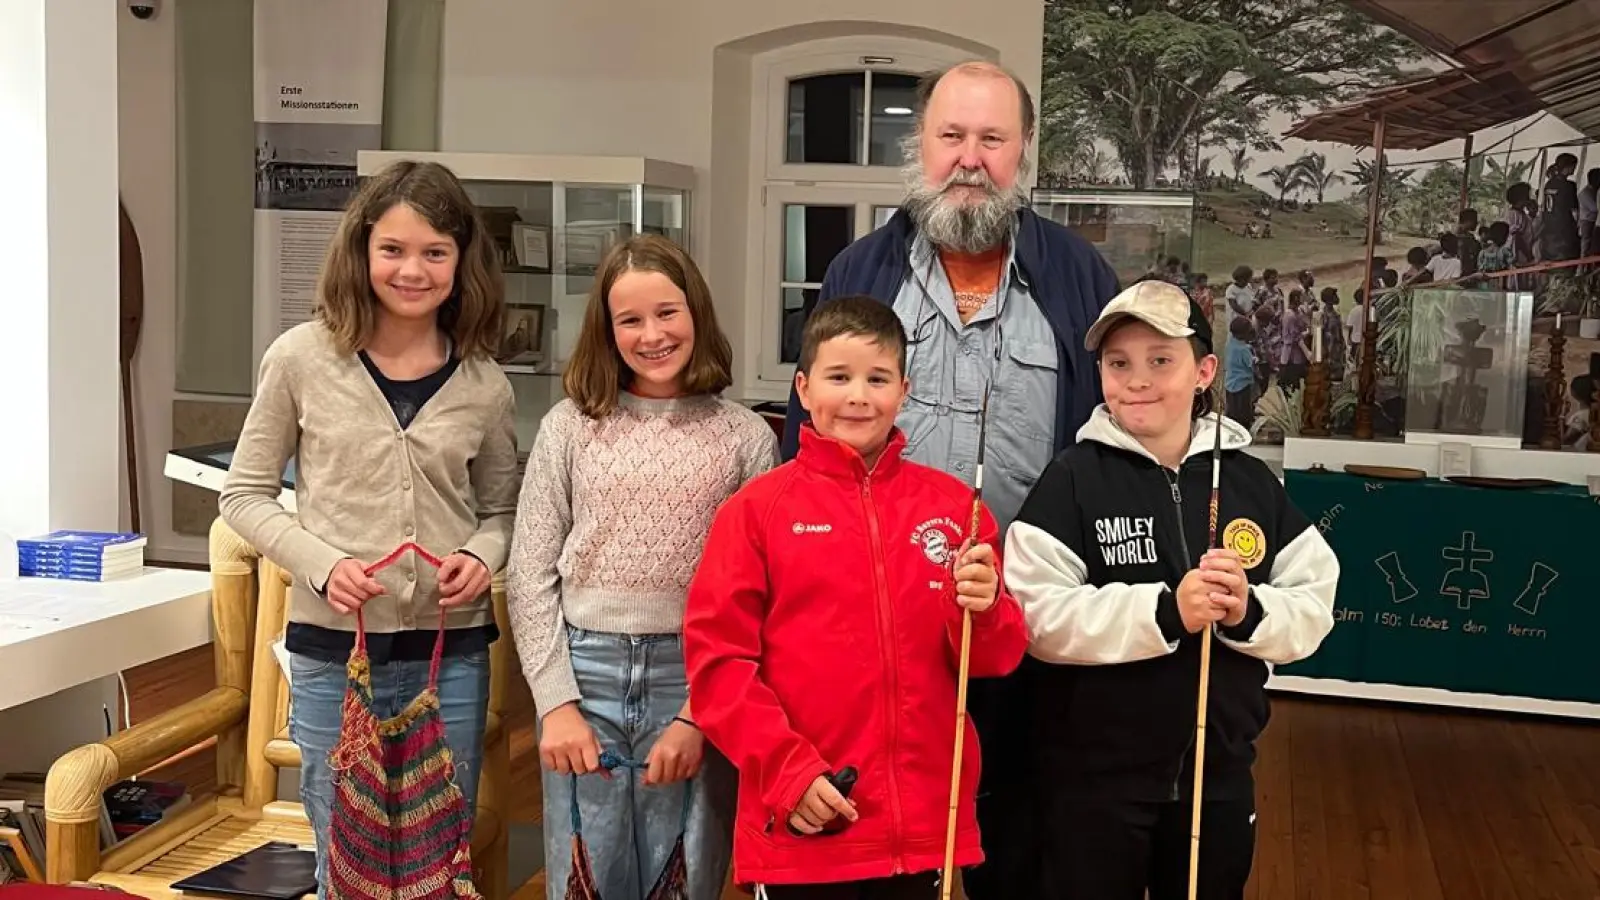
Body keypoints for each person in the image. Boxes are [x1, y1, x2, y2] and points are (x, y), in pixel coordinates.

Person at [776, 59, 1117, 899]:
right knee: (888, 849)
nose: (971, 159)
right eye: (952, 136)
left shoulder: (1079, 277)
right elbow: (813, 431)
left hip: (1030, 620)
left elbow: (1116, 439)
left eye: (993, 139)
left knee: (1023, 839)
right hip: (882, 633)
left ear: (1024, 151)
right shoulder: (862, 269)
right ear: (919, 146)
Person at [218, 160, 521, 893]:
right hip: (333, 655)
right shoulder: (299, 359)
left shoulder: (485, 383)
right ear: (361, 250)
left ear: (461, 261)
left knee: (437, 858)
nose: (412, 269)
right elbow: (246, 495)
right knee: (345, 852)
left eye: (434, 252)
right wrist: (322, 564)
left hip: (449, 655)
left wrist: (482, 556)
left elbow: (504, 511)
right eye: (393, 249)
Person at [684, 296, 1029, 900]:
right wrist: (789, 773)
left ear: (905, 388)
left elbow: (995, 659)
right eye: (838, 377)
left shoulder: (955, 510)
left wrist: (987, 608)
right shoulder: (755, 513)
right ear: (803, 386)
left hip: (927, 834)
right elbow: (719, 669)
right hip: (808, 822)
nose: (858, 397)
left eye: (877, 378)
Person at [1003, 280, 1339, 899]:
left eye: (1162, 361)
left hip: (1220, 775)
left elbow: (1314, 603)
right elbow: (1036, 615)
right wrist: (1165, 610)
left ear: (1205, 371)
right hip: (1094, 779)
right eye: (1119, 363)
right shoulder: (1070, 480)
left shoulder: (1250, 482)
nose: (1138, 380)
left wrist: (1249, 612)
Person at [508, 234, 778, 900]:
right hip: (583, 673)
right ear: (606, 329)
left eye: (667, 313)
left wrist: (698, 716)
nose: (652, 334)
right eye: (630, 319)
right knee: (585, 877)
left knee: (682, 871)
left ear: (696, 315)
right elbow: (531, 571)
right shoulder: (569, 427)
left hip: (696, 676)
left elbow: (759, 594)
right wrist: (556, 704)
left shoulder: (746, 437)